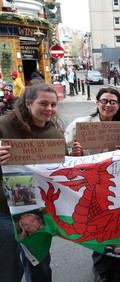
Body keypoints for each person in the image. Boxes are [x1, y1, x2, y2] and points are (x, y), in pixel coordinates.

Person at [0, 82, 67, 282]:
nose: (49, 109)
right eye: (43, 103)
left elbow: (60, 171)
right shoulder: (4, 125)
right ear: (28, 103)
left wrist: (73, 156)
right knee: (8, 264)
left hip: (37, 209)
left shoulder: (55, 136)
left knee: (39, 262)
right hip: (5, 208)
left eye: (53, 105)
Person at [64, 87, 120, 282]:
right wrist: (73, 152)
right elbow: (62, 151)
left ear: (118, 106)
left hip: (116, 183)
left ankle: (117, 264)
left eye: (113, 102)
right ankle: (100, 269)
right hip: (90, 186)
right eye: (104, 101)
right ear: (97, 103)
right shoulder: (80, 124)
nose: (108, 105)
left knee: (118, 227)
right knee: (98, 229)